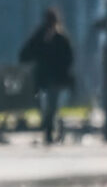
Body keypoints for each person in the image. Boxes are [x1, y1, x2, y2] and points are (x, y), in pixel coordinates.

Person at [19, 8, 74, 145]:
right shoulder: (40, 37)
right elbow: (25, 54)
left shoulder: (61, 39)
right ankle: (49, 128)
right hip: (43, 80)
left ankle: (50, 131)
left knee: (52, 106)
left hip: (56, 80)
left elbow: (68, 58)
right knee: (46, 107)